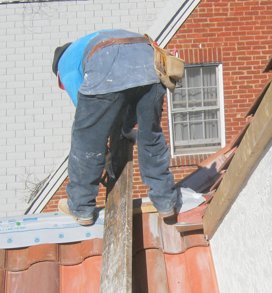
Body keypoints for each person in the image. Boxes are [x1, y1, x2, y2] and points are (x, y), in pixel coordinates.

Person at [52, 29, 179, 225]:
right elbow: (124, 96)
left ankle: (81, 206)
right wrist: (125, 131)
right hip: (150, 62)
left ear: (59, 77)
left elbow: (91, 122)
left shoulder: (65, 65)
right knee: (150, 136)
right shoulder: (87, 41)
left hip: (109, 59)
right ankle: (165, 202)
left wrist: (104, 149)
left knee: (84, 139)